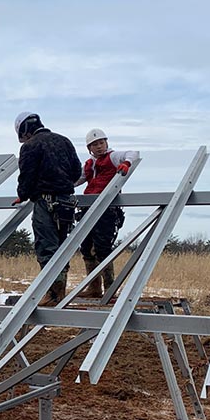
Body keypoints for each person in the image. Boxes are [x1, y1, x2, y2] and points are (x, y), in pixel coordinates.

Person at [12, 111, 82, 306]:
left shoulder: (30, 146)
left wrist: (23, 194)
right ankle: (59, 292)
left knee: (47, 248)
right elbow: (77, 171)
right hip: (67, 202)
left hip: (45, 202)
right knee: (62, 247)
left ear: (24, 130)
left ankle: (52, 294)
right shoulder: (64, 141)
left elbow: (26, 175)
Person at [75, 128, 139, 298]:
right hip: (88, 208)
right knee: (87, 249)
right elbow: (77, 180)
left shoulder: (112, 156)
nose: (99, 147)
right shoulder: (89, 164)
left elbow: (133, 153)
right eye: (94, 144)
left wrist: (126, 164)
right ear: (89, 148)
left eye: (101, 143)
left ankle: (110, 290)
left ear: (106, 143)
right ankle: (94, 288)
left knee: (103, 249)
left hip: (107, 210)